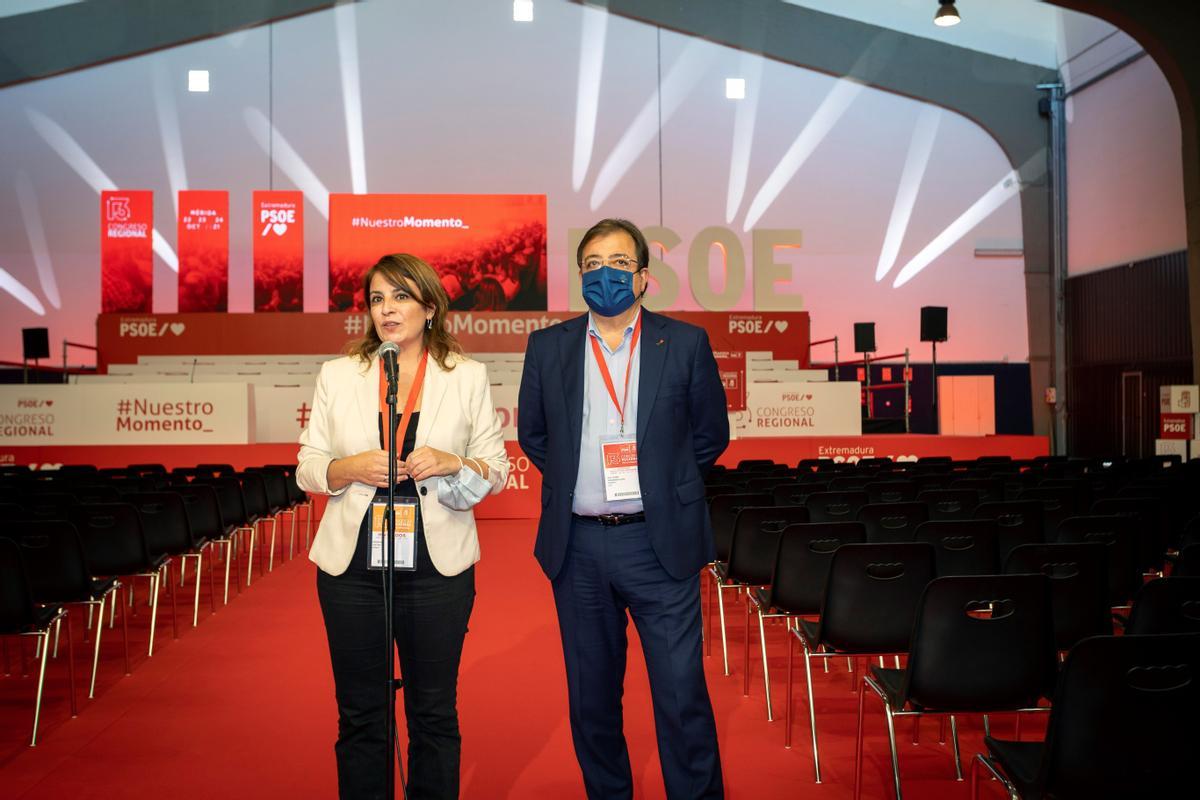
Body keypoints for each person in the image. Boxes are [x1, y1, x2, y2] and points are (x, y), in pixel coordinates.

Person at [518, 218, 729, 799]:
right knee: (591, 698)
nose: (602, 273)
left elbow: (710, 436)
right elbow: (535, 437)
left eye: (616, 262)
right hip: (579, 547)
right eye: (590, 264)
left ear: (642, 277)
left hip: (659, 544)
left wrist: (663, 487)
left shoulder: (684, 342)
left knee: (681, 692)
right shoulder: (549, 346)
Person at [297, 253, 508, 799]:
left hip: (437, 567)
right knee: (362, 714)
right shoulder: (338, 375)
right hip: (351, 569)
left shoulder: (466, 376)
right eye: (376, 299)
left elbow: (497, 469)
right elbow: (308, 465)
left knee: (433, 712)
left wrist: (453, 461)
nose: (386, 309)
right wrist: (348, 468)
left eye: (400, 297)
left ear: (430, 305)